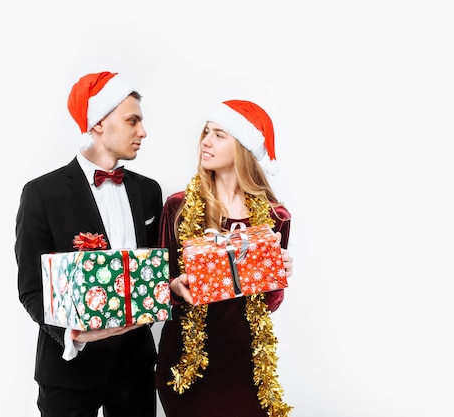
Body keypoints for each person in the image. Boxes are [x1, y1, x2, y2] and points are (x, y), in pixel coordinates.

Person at [15, 71, 162, 417]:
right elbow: (31, 289)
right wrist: (74, 334)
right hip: (69, 369)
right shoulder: (41, 194)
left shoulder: (149, 191)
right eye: (132, 121)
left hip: (135, 369)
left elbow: (157, 269)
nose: (143, 132)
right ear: (98, 123)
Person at [155, 99, 295, 417]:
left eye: (219, 135)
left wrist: (279, 272)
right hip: (186, 363)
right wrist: (177, 288)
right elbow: (159, 288)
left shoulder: (275, 216)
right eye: (206, 132)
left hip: (245, 362)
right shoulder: (178, 207)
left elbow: (269, 304)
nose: (205, 141)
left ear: (244, 147)